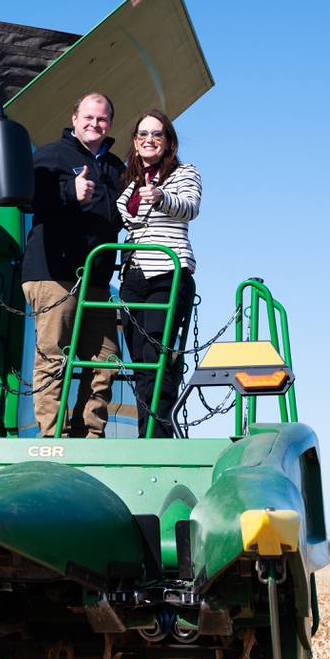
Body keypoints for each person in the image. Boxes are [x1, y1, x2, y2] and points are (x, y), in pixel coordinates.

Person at [21, 91, 125, 437]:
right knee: (54, 357)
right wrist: (69, 191)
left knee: (106, 359)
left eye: (102, 118)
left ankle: (89, 434)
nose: (95, 124)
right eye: (89, 117)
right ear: (75, 118)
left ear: (110, 123)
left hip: (97, 279)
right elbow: (25, 198)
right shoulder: (50, 156)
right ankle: (51, 435)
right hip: (54, 273)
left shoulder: (115, 167)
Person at [116, 109, 201, 438]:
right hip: (133, 277)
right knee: (138, 358)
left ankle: (158, 433)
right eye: (142, 135)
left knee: (156, 354)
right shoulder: (131, 180)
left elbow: (190, 207)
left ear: (168, 142)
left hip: (167, 272)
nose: (149, 140)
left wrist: (162, 196)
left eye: (156, 134)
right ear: (135, 143)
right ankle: (145, 430)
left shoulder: (184, 174)